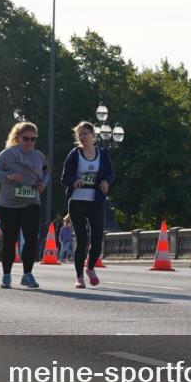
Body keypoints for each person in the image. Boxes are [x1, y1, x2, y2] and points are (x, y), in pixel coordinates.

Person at [0, 122, 49, 289]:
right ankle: (6, 275)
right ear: (17, 138)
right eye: (26, 138)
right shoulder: (8, 154)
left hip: (31, 202)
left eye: (33, 139)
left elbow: (46, 171)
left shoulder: (38, 156)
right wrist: (9, 176)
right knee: (9, 239)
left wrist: (43, 184)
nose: (29, 142)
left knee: (31, 239)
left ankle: (27, 274)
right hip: (8, 204)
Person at [60, 121, 114, 288]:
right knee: (81, 240)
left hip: (96, 201)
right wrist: (74, 180)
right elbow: (64, 178)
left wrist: (106, 180)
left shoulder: (103, 154)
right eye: (80, 135)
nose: (82, 137)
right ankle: (79, 277)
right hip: (77, 201)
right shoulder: (75, 154)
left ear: (93, 135)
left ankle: (90, 268)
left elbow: (111, 173)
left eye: (85, 133)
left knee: (97, 239)